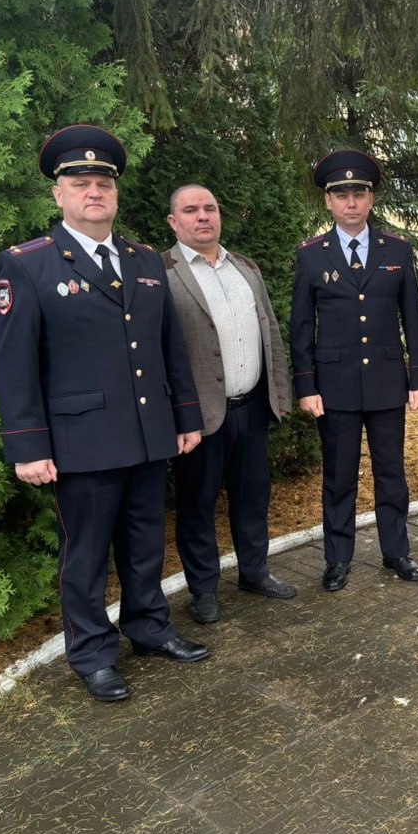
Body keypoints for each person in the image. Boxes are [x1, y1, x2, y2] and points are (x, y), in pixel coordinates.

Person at [0, 125, 209, 704]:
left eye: (103, 183)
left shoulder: (142, 261)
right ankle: (91, 653)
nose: (94, 192)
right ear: (58, 195)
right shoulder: (28, 266)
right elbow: (15, 366)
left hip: (145, 434)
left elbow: (170, 348)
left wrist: (184, 416)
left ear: (115, 194)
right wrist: (27, 446)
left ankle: (150, 627)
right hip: (80, 441)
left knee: (144, 543)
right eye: (80, 182)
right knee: (85, 555)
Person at [290, 150, 418, 592]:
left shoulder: (398, 250)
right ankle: (337, 558)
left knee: (392, 473)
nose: (351, 202)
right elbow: (300, 326)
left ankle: (397, 551)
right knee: (339, 476)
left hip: (389, 382)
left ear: (370, 200)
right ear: (328, 202)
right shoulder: (312, 255)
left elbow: (413, 317)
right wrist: (307, 386)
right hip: (335, 388)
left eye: (359, 193)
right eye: (341, 194)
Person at [162, 184, 297, 624]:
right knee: (197, 506)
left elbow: (270, 331)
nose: (203, 216)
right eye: (191, 210)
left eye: (210, 208)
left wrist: (279, 392)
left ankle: (254, 572)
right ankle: (203, 590)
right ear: (173, 222)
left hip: (252, 408)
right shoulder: (162, 272)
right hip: (199, 417)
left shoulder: (246, 268)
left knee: (253, 497)